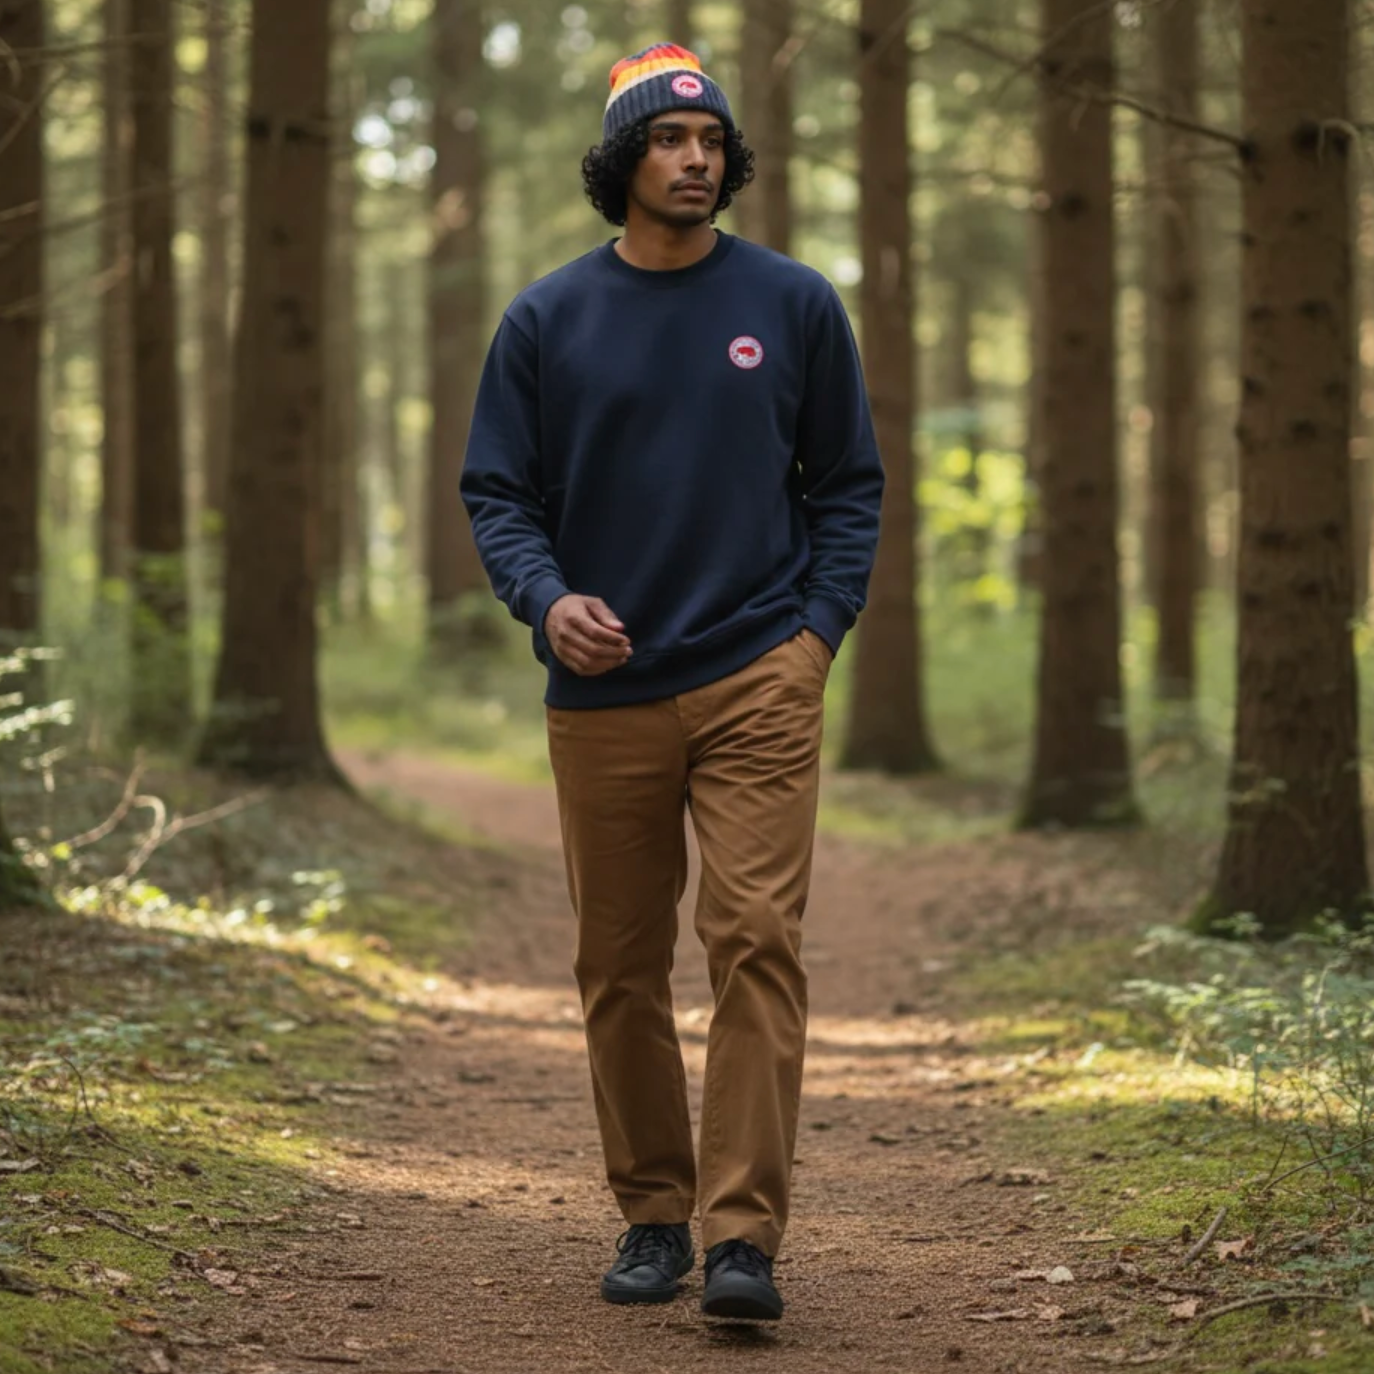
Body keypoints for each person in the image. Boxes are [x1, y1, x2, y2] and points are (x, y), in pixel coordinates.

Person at [459, 42, 883, 1323]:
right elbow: (498, 493)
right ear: (622, 161)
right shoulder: (547, 319)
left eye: (710, 143)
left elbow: (848, 486)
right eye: (667, 141)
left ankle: (744, 1238)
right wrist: (546, 599)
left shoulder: (796, 303)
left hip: (762, 672)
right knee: (620, 961)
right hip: (606, 692)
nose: (694, 160)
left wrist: (815, 636)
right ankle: (654, 1211)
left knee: (756, 943)